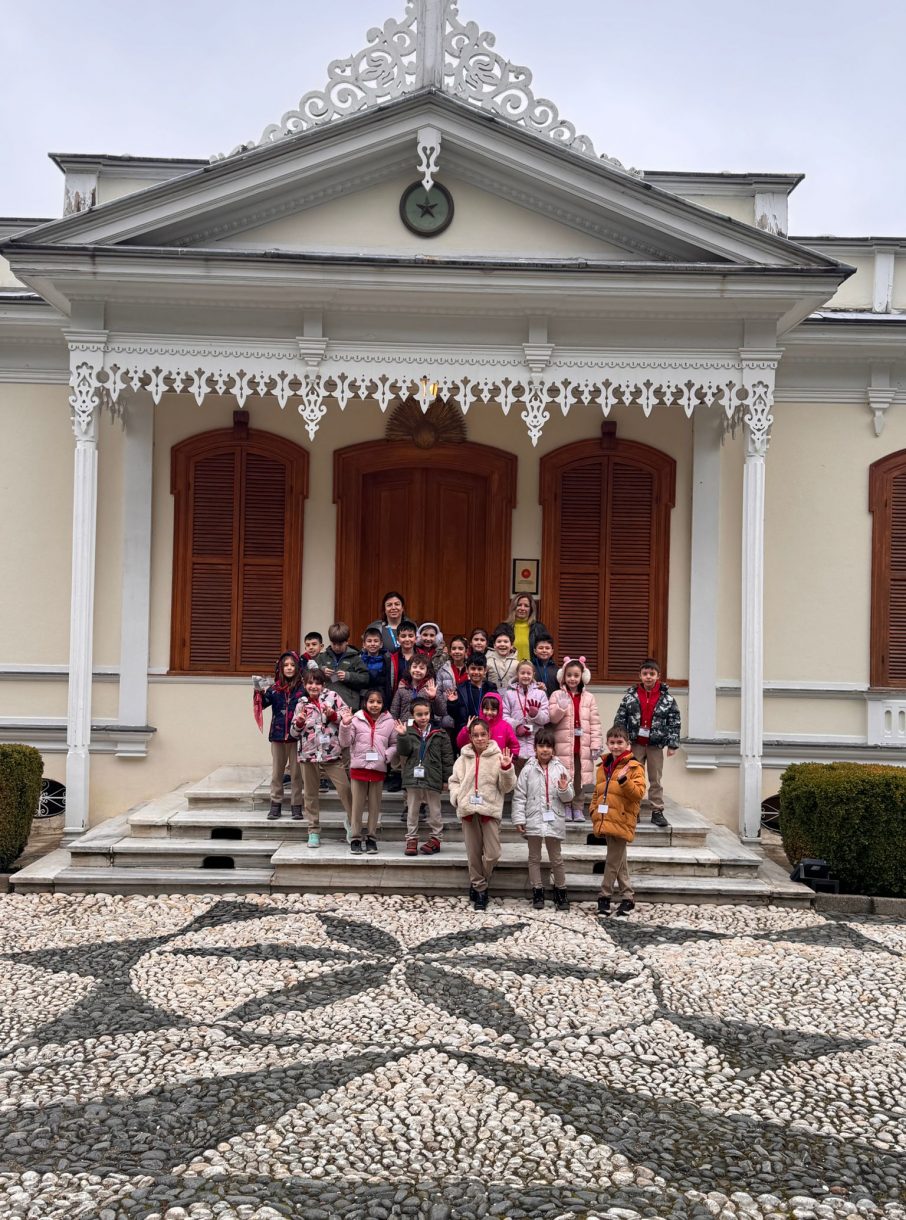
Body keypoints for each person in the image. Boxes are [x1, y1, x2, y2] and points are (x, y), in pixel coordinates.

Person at [448, 718, 516, 910]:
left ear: (489, 735)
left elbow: (507, 787)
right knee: (473, 854)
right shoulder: (462, 759)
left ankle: (479, 880)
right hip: (468, 811)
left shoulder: (498, 756)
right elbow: (454, 781)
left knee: (493, 854)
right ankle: (480, 889)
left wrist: (506, 769)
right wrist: (457, 797)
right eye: (475, 735)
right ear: (470, 737)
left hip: (489, 810)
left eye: (483, 734)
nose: (479, 738)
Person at [613, 658, 681, 829]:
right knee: (634, 777)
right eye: (645, 674)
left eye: (652, 673)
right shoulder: (630, 696)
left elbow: (674, 721)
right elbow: (620, 719)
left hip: (655, 745)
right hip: (635, 744)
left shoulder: (667, 699)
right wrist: (622, 741)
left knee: (655, 779)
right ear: (640, 676)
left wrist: (672, 744)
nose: (648, 677)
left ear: (658, 675)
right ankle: (633, 809)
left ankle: (657, 810)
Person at [290, 668, 353, 849]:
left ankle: (353, 824)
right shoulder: (301, 704)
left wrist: (333, 715)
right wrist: (299, 722)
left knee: (345, 790)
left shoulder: (333, 697)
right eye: (310, 683)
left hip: (332, 753)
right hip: (308, 755)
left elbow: (346, 719)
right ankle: (313, 830)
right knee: (310, 794)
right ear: (305, 685)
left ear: (323, 684)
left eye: (317, 683)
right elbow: (293, 733)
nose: (314, 686)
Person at [511, 726, 573, 910]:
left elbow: (568, 798)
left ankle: (561, 890)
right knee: (534, 857)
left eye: (548, 746)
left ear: (553, 749)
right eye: (541, 746)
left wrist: (564, 788)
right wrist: (519, 819)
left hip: (554, 819)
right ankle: (537, 890)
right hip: (534, 818)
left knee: (556, 858)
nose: (545, 750)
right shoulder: (527, 770)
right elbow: (520, 796)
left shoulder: (560, 769)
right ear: (535, 748)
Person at [591, 724, 647, 916]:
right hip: (605, 817)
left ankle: (604, 895)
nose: (616, 746)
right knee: (619, 859)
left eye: (620, 742)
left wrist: (624, 781)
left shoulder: (635, 767)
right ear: (607, 743)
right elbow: (597, 792)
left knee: (612, 860)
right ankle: (628, 898)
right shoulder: (603, 766)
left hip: (622, 819)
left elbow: (638, 794)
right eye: (612, 742)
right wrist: (593, 810)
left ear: (627, 744)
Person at [339, 689, 398, 855]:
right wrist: (345, 725)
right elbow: (345, 742)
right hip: (359, 769)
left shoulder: (389, 721)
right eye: (371, 701)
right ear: (365, 703)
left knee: (374, 806)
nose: (375, 705)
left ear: (383, 704)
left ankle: (371, 837)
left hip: (378, 769)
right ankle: (355, 837)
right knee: (357, 806)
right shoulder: (356, 719)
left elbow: (394, 744)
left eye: (378, 702)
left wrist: (386, 755)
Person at [252, 651, 306, 821]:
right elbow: (263, 704)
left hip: (297, 737)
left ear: (298, 667)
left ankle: (296, 806)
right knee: (277, 773)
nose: (289, 668)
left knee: (297, 774)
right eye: (285, 665)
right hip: (277, 735)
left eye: (292, 665)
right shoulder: (274, 689)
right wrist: (258, 691)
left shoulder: (304, 688)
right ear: (280, 668)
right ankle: (275, 805)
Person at [396, 696, 454, 856]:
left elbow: (447, 758)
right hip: (413, 778)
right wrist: (402, 736)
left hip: (433, 777)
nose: (423, 717)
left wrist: (446, 779)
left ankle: (436, 838)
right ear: (413, 715)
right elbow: (403, 752)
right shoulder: (407, 731)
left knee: (435, 811)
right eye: (419, 714)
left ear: (430, 713)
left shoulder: (440, 733)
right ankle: (411, 838)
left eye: (426, 714)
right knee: (412, 810)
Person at [547, 657, 603, 822]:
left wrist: (596, 744)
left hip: (582, 746)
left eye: (576, 675)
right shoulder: (557, 695)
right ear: (563, 677)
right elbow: (552, 719)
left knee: (579, 779)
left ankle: (577, 808)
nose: (572, 679)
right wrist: (560, 707)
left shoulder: (589, 698)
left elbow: (595, 722)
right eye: (569, 675)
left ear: (582, 677)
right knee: (564, 777)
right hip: (563, 746)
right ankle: (566, 806)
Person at [503, 661, 550, 770]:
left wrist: (536, 714)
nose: (525, 676)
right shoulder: (509, 694)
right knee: (516, 775)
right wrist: (516, 726)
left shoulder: (540, 693)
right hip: (515, 744)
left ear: (533, 674)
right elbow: (504, 716)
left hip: (535, 744)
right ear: (517, 674)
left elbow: (547, 718)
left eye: (529, 673)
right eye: (522, 673)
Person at [316, 622, 369, 710]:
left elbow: (365, 678)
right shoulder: (322, 657)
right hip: (325, 705)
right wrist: (322, 670)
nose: (337, 647)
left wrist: (348, 676)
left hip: (348, 705)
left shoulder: (355, 658)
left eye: (340, 644)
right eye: (334, 644)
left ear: (347, 641)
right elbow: (309, 673)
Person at [446, 652, 497, 737]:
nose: (476, 672)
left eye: (479, 669)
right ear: (467, 669)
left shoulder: (491, 689)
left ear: (485, 670)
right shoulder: (460, 689)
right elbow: (454, 715)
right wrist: (452, 703)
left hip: (487, 732)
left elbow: (497, 712)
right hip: (465, 732)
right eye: (473, 668)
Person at [455, 691, 520, 757]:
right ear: (482, 709)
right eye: (486, 709)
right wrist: (467, 730)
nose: (489, 712)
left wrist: (512, 757)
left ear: (499, 710)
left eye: (493, 709)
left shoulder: (505, 726)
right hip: (479, 761)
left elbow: (514, 745)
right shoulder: (476, 725)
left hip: (498, 761)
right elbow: (461, 744)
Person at [390, 655, 446, 724]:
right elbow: (394, 711)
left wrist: (433, 697)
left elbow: (441, 711)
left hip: (425, 726)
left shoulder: (431, 687)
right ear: (409, 669)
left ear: (427, 671)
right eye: (414, 667)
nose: (417, 670)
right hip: (405, 726)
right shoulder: (402, 687)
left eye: (421, 668)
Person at [505, 593, 550, 664]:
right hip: (509, 669)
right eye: (519, 605)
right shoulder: (504, 628)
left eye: (526, 606)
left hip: (531, 669)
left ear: (531, 609)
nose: (522, 608)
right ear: (514, 607)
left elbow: (547, 651)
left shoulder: (539, 628)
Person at [360, 625, 393, 707]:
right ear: (364, 644)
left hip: (381, 698)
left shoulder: (387, 660)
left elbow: (389, 682)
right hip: (363, 698)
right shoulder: (359, 659)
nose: (372, 644)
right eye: (369, 641)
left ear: (381, 644)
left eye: (376, 641)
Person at [485, 623, 521, 692]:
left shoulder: (517, 664)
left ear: (512, 645)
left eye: (506, 641)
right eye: (499, 641)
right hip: (492, 696)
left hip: (511, 696)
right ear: (494, 645)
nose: (502, 644)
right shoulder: (487, 661)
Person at [532, 632, 559, 697]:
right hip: (534, 701)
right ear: (535, 651)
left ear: (552, 652)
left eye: (547, 648)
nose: (544, 650)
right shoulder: (530, 668)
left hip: (553, 701)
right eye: (541, 648)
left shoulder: (557, 670)